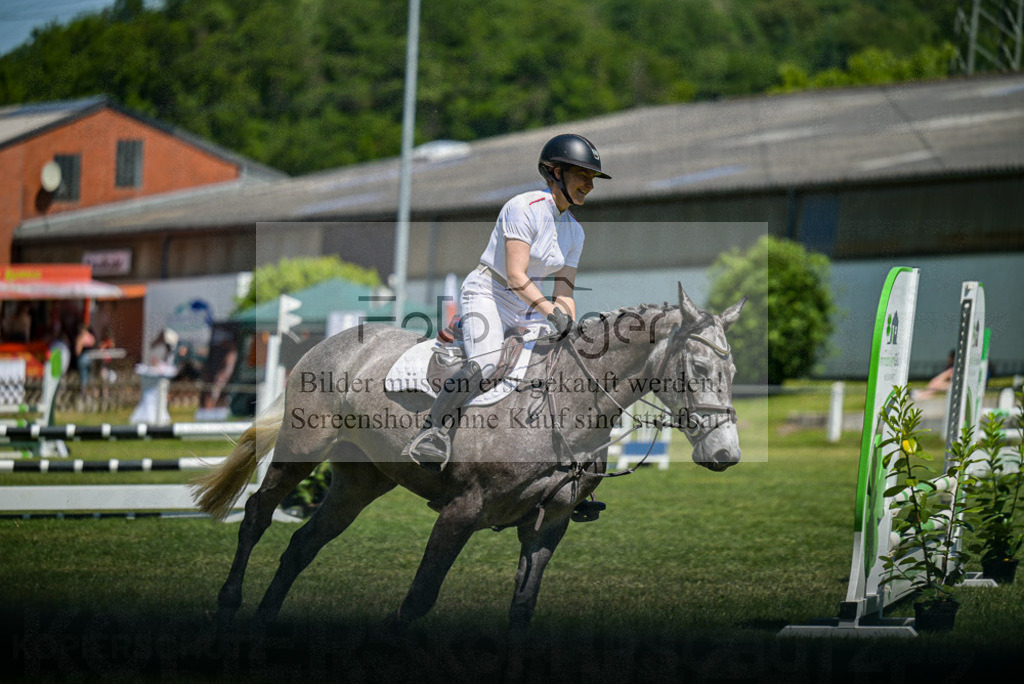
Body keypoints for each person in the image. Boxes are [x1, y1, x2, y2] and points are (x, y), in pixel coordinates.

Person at [405, 133, 611, 471]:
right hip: (488, 291)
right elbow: (515, 276)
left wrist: (568, 325)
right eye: (583, 175)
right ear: (555, 172)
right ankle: (432, 432)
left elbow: (565, 293)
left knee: (557, 366)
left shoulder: (576, 231)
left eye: (592, 178)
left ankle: (568, 466)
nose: (589, 185)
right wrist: (551, 314)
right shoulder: (522, 207)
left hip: (528, 304)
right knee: (486, 363)